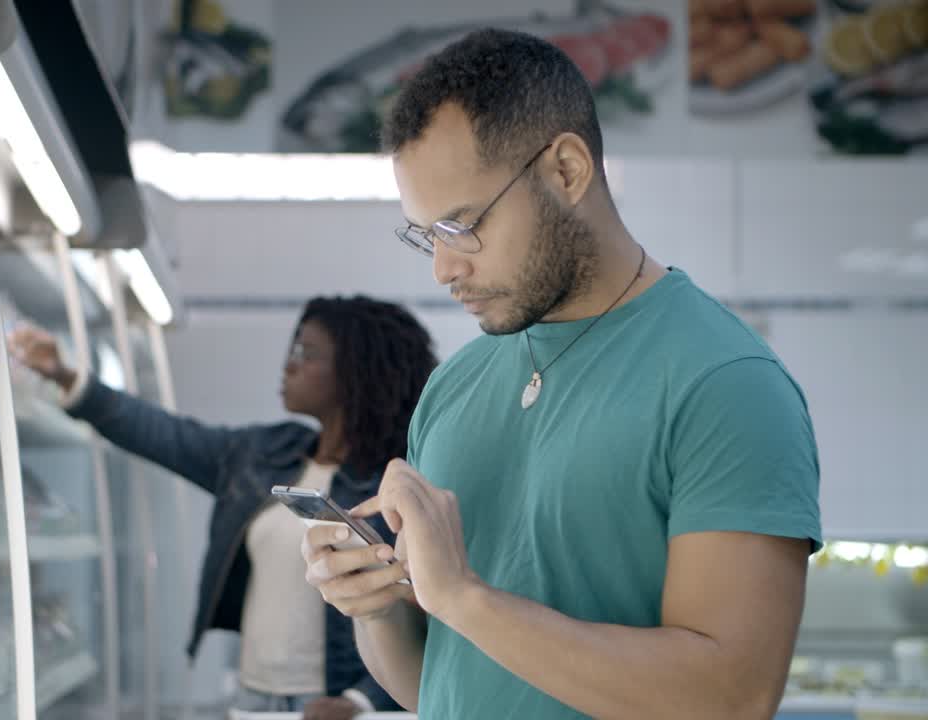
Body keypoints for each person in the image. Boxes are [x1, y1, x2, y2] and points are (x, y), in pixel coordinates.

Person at [301, 28, 822, 720]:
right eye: (426, 236)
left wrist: (463, 595)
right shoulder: (454, 389)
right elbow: (447, 686)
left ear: (568, 171)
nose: (443, 268)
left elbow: (729, 699)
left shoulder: (726, 382)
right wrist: (378, 610)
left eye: (461, 228)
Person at [8, 295, 436, 719]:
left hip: (338, 706)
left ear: (356, 372)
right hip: (253, 697)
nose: (288, 364)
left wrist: (359, 702)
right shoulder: (262, 453)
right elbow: (165, 435)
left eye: (306, 353)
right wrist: (66, 377)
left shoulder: (397, 484)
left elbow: (421, 615)